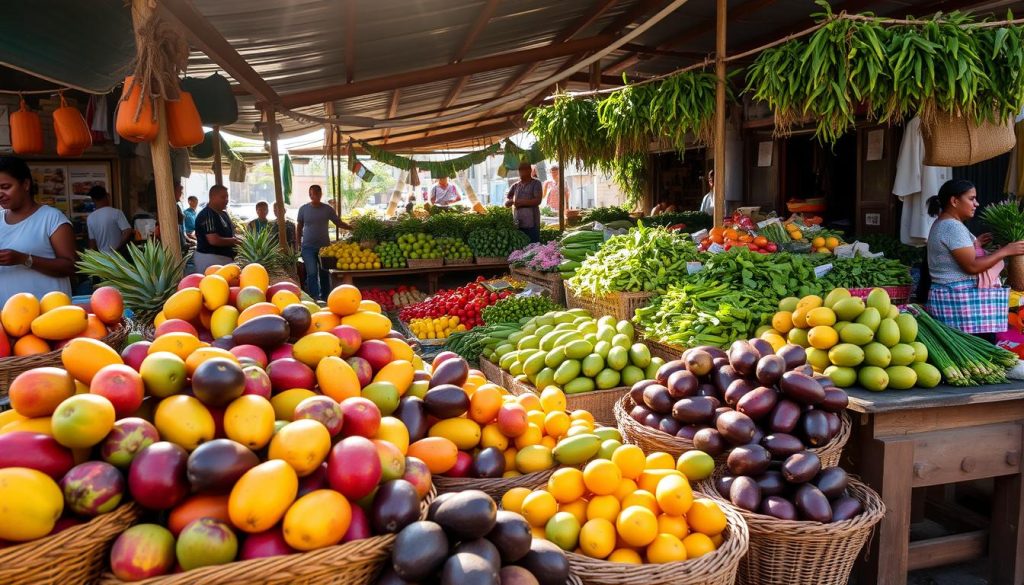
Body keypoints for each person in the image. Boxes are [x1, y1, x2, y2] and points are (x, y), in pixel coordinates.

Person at [924, 179, 1024, 337]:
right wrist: (1005, 251)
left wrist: (975, 245)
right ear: (954, 201)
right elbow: (972, 266)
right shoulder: (952, 226)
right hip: (960, 305)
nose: (976, 204)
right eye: (971, 199)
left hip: (953, 302)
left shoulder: (944, 223)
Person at [0, 156, 76, 304]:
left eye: (5, 187)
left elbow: (71, 266)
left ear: (26, 184)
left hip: (49, 316)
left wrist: (24, 259)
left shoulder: (51, 218)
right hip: (9, 318)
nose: (0, 193)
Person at [298, 184, 351, 300]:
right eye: (313, 193)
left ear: (321, 194)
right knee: (311, 272)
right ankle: (314, 297)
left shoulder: (327, 209)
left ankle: (326, 297)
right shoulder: (303, 209)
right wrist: (298, 243)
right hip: (307, 247)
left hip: (324, 249)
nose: (315, 195)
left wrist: (351, 227)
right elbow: (299, 226)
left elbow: (338, 223)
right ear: (310, 195)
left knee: (324, 273)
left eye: (318, 193)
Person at [194, 184, 239, 273]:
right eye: (223, 197)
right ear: (212, 197)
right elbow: (213, 240)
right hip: (210, 258)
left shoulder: (224, 214)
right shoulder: (207, 214)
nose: (226, 200)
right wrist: (234, 241)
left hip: (225, 259)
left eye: (227, 197)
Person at [504, 162, 543, 243]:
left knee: (533, 245)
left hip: (532, 223)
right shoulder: (516, 185)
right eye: (520, 170)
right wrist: (511, 201)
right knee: (520, 246)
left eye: (524, 169)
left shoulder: (536, 183)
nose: (522, 172)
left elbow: (537, 201)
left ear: (530, 170)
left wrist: (520, 202)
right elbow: (507, 203)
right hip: (518, 223)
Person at [86, 185, 131, 254]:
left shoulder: (90, 217)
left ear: (93, 200)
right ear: (107, 196)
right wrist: (117, 248)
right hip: (117, 258)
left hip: (102, 258)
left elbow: (92, 241)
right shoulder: (116, 213)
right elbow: (127, 231)